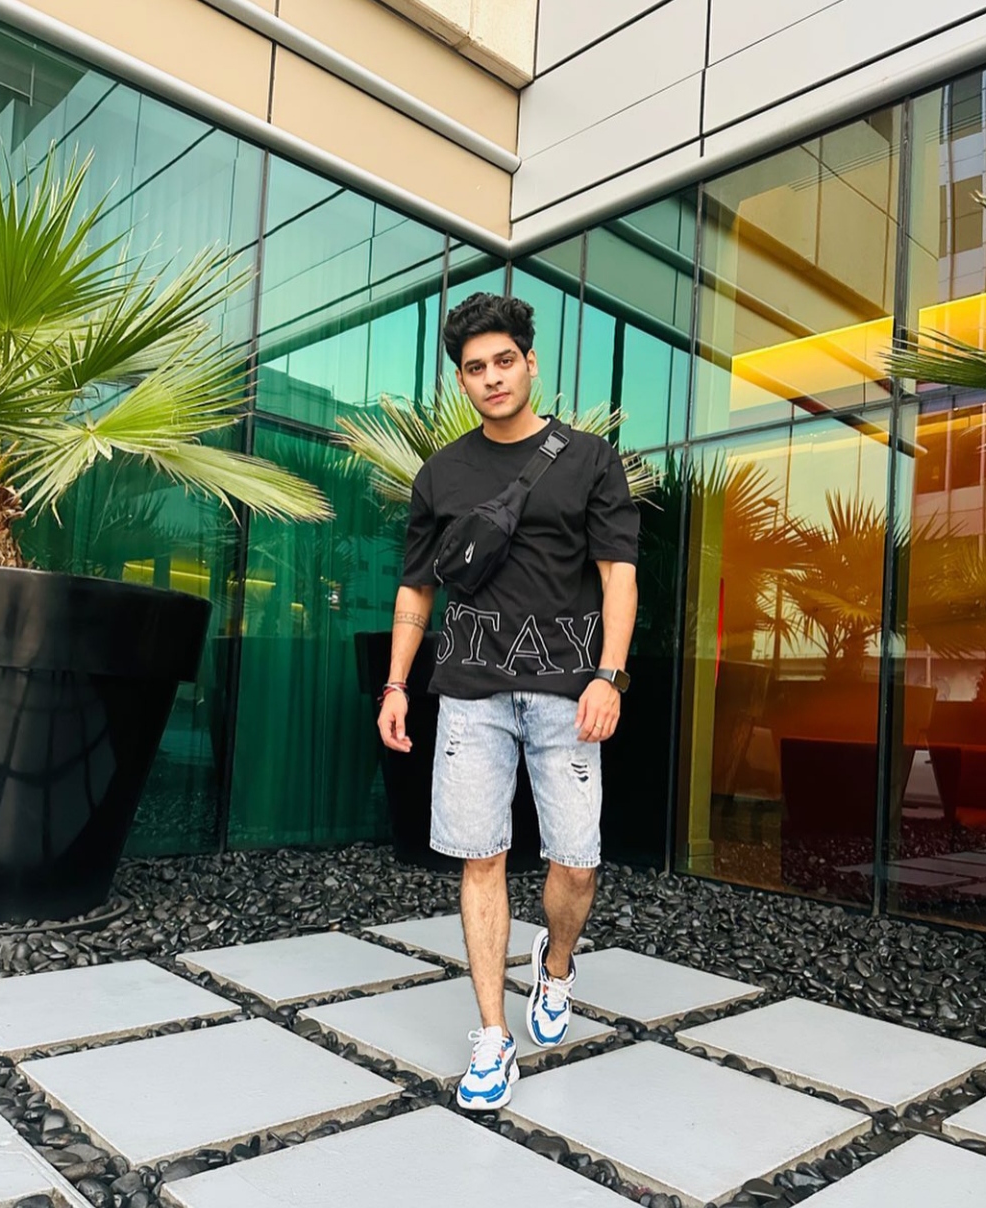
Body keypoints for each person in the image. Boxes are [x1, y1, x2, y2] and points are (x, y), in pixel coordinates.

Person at [377, 292, 639, 1110]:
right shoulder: (441, 474)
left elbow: (619, 576)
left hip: (569, 692)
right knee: (480, 856)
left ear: (530, 363)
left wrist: (610, 675)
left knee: (577, 862)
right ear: (461, 381)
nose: (491, 377)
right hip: (471, 693)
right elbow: (416, 588)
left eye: (503, 361)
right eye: (474, 368)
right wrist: (395, 684)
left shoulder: (589, 459)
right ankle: (493, 1037)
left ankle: (555, 965)